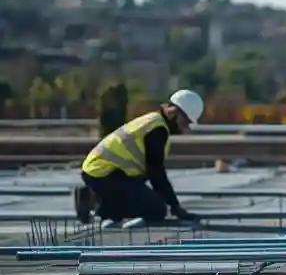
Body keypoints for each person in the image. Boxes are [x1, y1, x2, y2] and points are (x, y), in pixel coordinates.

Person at [73, 89, 205, 225]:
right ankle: (94, 199)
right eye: (185, 122)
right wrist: (175, 206)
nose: (184, 128)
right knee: (156, 209)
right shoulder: (157, 130)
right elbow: (156, 173)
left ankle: (97, 201)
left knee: (131, 203)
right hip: (104, 175)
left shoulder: (154, 121)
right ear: (174, 113)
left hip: (102, 173)